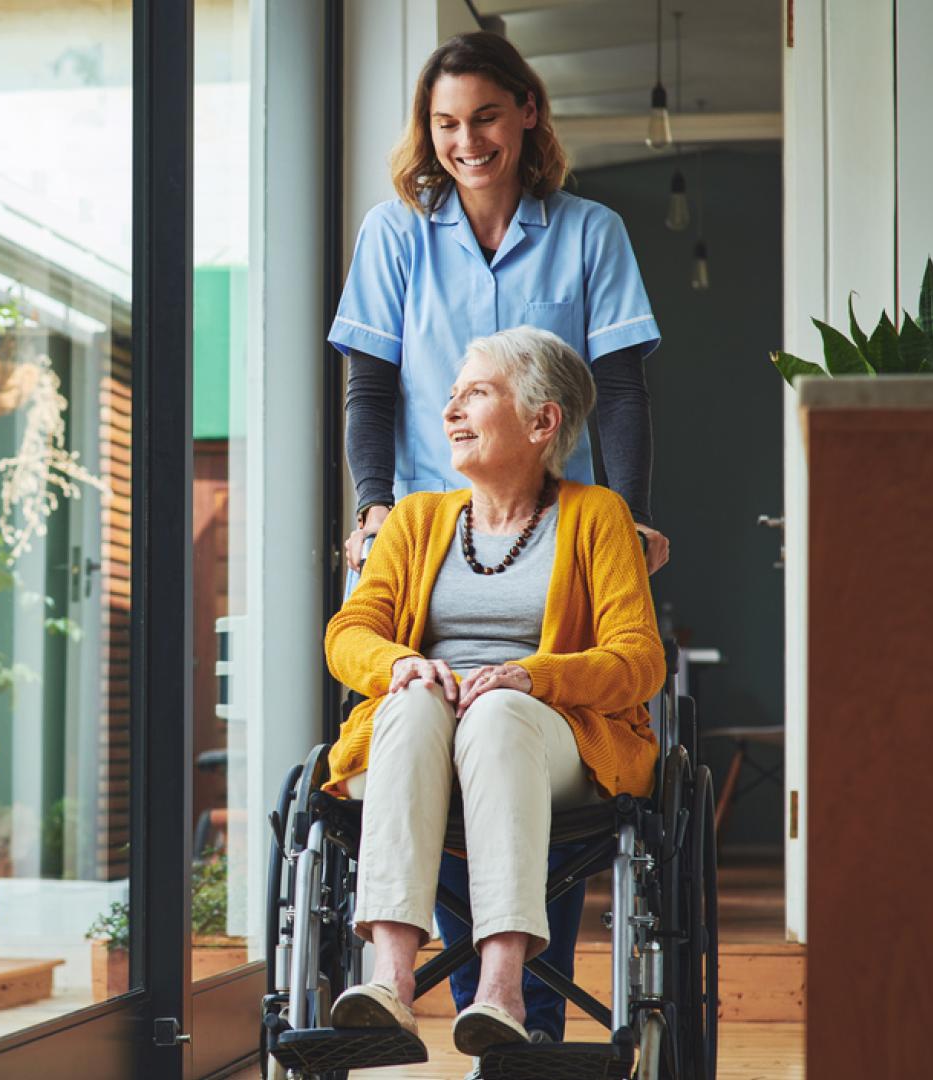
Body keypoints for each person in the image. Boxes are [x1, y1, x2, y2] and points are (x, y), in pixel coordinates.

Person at [328, 31, 666, 1050]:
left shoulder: (589, 232)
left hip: (554, 546)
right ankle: (396, 982)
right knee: (415, 714)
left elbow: (625, 394)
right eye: (444, 122)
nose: (464, 139)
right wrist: (379, 505)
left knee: (508, 731)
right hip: (435, 524)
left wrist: (630, 514)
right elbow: (372, 387)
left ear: (526, 114)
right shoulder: (398, 235)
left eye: (483, 116)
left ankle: (521, 1010)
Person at [323, 328, 664, 1060]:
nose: (450, 411)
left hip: (549, 737)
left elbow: (638, 660)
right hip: (424, 733)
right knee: (414, 701)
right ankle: (389, 979)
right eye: (450, 395)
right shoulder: (415, 519)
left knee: (501, 710)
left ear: (543, 422)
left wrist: (532, 676)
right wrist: (401, 666)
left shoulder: (596, 515)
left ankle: (503, 988)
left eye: (474, 393)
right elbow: (348, 633)